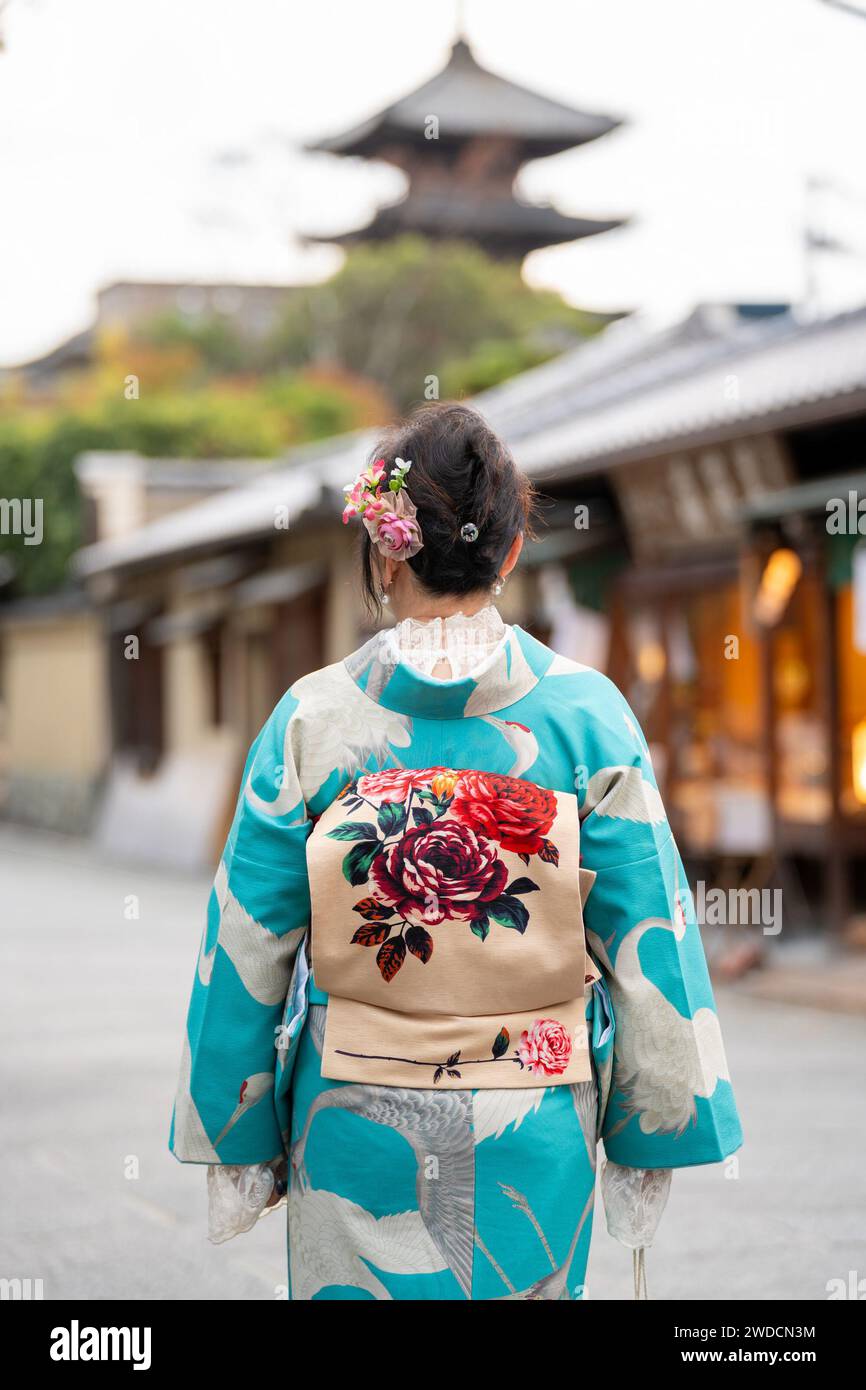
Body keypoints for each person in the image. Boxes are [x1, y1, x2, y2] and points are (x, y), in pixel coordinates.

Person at [170, 401, 742, 1301]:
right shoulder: (588, 716)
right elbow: (649, 935)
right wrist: (653, 1131)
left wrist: (235, 1135)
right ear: (511, 553)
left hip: (353, 1118)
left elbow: (246, 941)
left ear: (386, 551)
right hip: (534, 1122)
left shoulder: (313, 720)